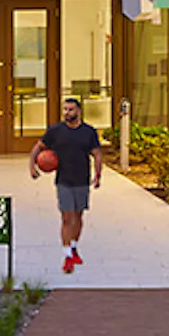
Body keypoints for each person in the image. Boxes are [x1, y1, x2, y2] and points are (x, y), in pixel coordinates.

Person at [35, 95, 103, 274]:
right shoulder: (55, 131)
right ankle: (67, 256)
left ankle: (73, 247)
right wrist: (32, 167)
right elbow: (38, 147)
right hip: (63, 180)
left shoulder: (89, 132)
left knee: (78, 217)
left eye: (71, 109)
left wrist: (97, 175)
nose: (67, 113)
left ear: (79, 111)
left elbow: (97, 153)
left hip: (82, 180)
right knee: (66, 217)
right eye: (65, 109)